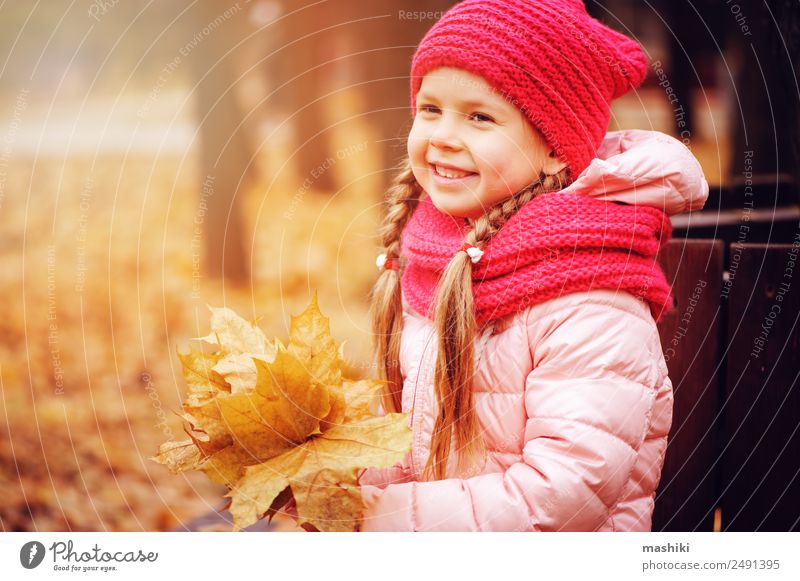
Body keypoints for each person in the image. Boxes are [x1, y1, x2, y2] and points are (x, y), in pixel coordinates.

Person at [358, 0, 709, 531]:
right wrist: (340, 483)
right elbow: (409, 443)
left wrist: (381, 521)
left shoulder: (591, 296)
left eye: (480, 117)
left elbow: (564, 494)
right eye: (431, 109)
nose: (444, 135)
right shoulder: (435, 261)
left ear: (553, 149)